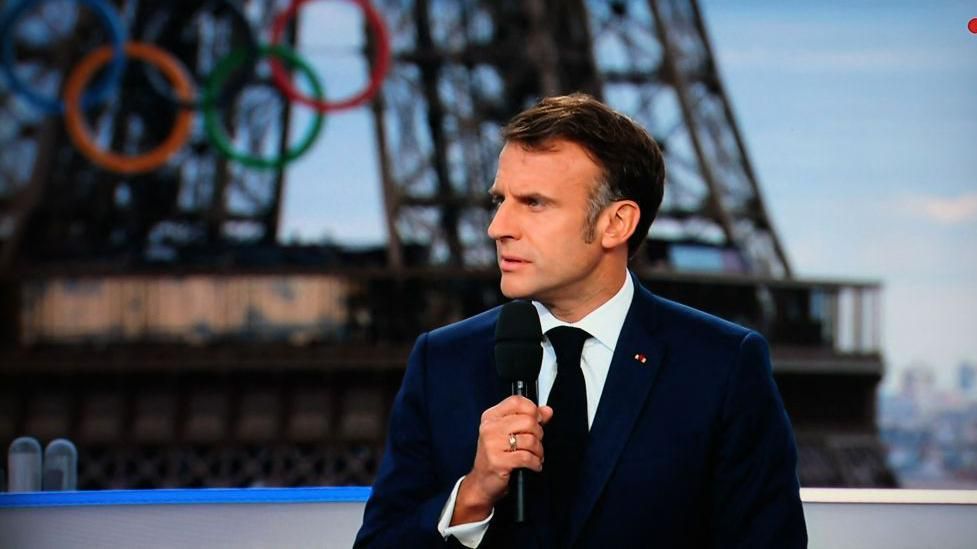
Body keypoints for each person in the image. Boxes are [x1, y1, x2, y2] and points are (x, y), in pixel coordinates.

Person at [354, 93, 807, 548]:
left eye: (533, 203)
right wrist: (471, 496)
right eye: (499, 200)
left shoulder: (721, 367)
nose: (498, 227)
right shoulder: (443, 362)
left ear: (616, 223)